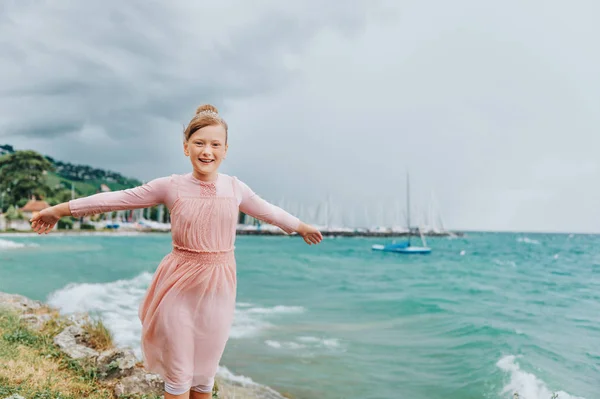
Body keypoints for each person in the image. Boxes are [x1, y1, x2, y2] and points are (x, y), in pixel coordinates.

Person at [30, 104, 323, 399]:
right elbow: (117, 199)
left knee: (205, 377)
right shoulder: (171, 186)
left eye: (214, 144)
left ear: (225, 150)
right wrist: (59, 209)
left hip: (219, 290)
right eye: (199, 143)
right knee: (180, 374)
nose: (206, 151)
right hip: (179, 286)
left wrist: (301, 226)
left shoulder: (236, 188)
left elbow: (269, 211)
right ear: (186, 148)